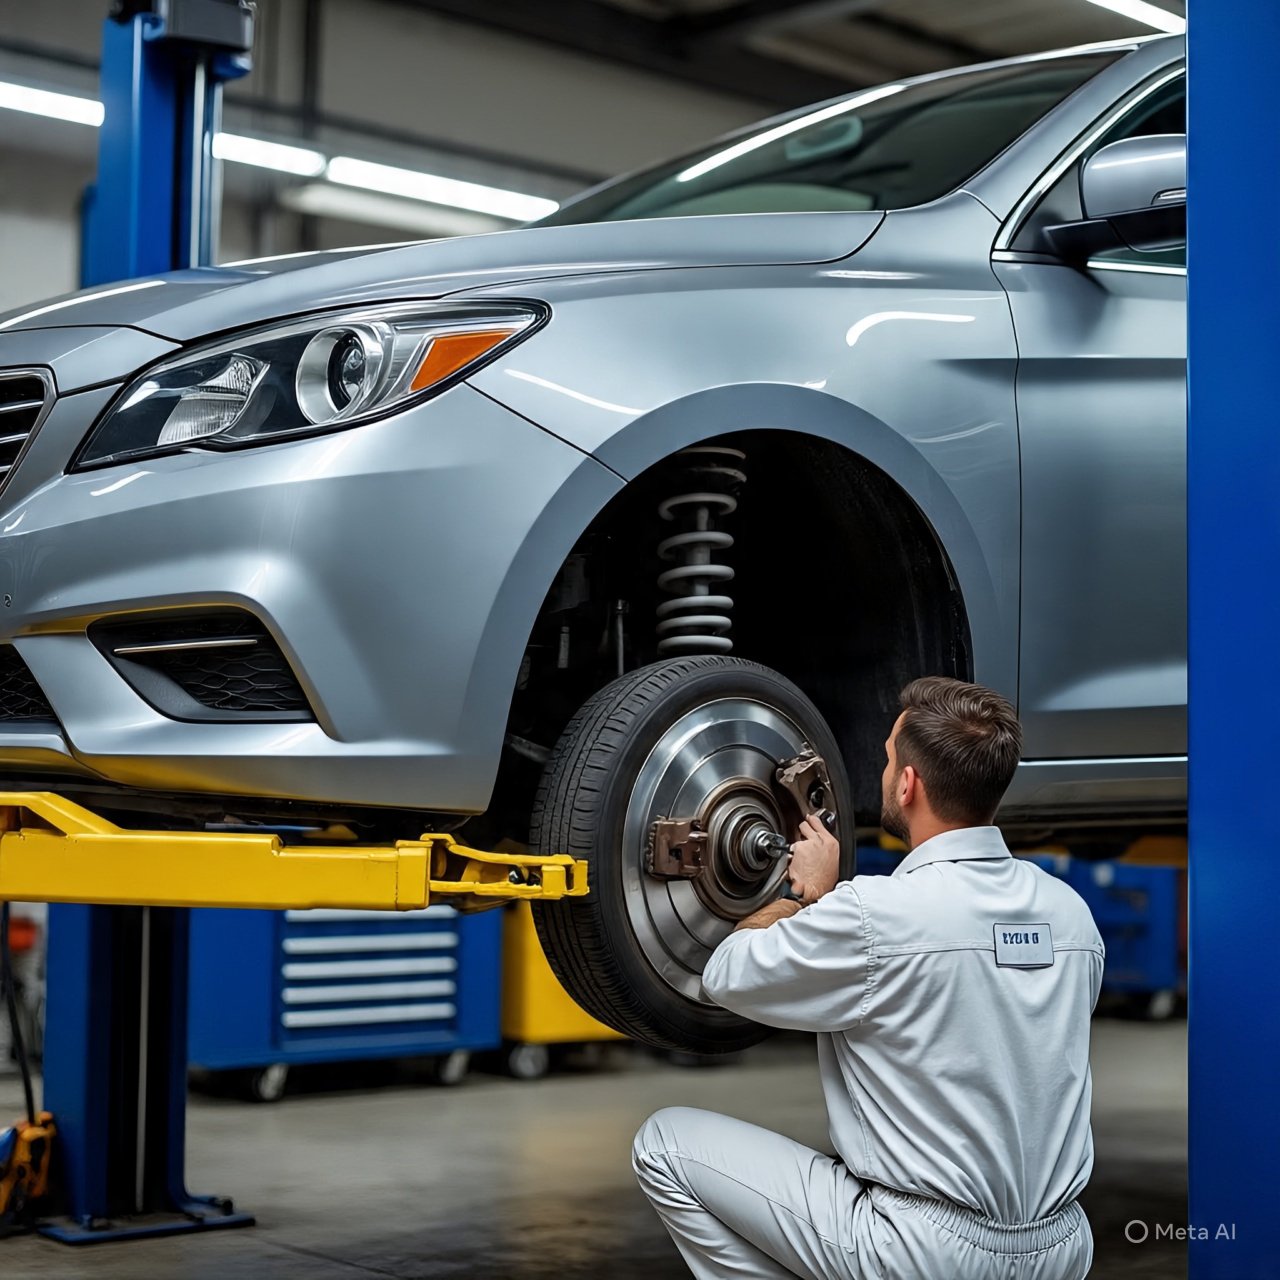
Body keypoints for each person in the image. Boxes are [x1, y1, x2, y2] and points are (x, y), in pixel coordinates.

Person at [633, 676, 1104, 1280]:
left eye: (886, 760)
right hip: (1060, 1247)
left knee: (664, 1144)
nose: (883, 772)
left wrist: (805, 898)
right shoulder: (1070, 916)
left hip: (921, 1247)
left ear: (907, 784)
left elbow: (727, 973)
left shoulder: (873, 914)